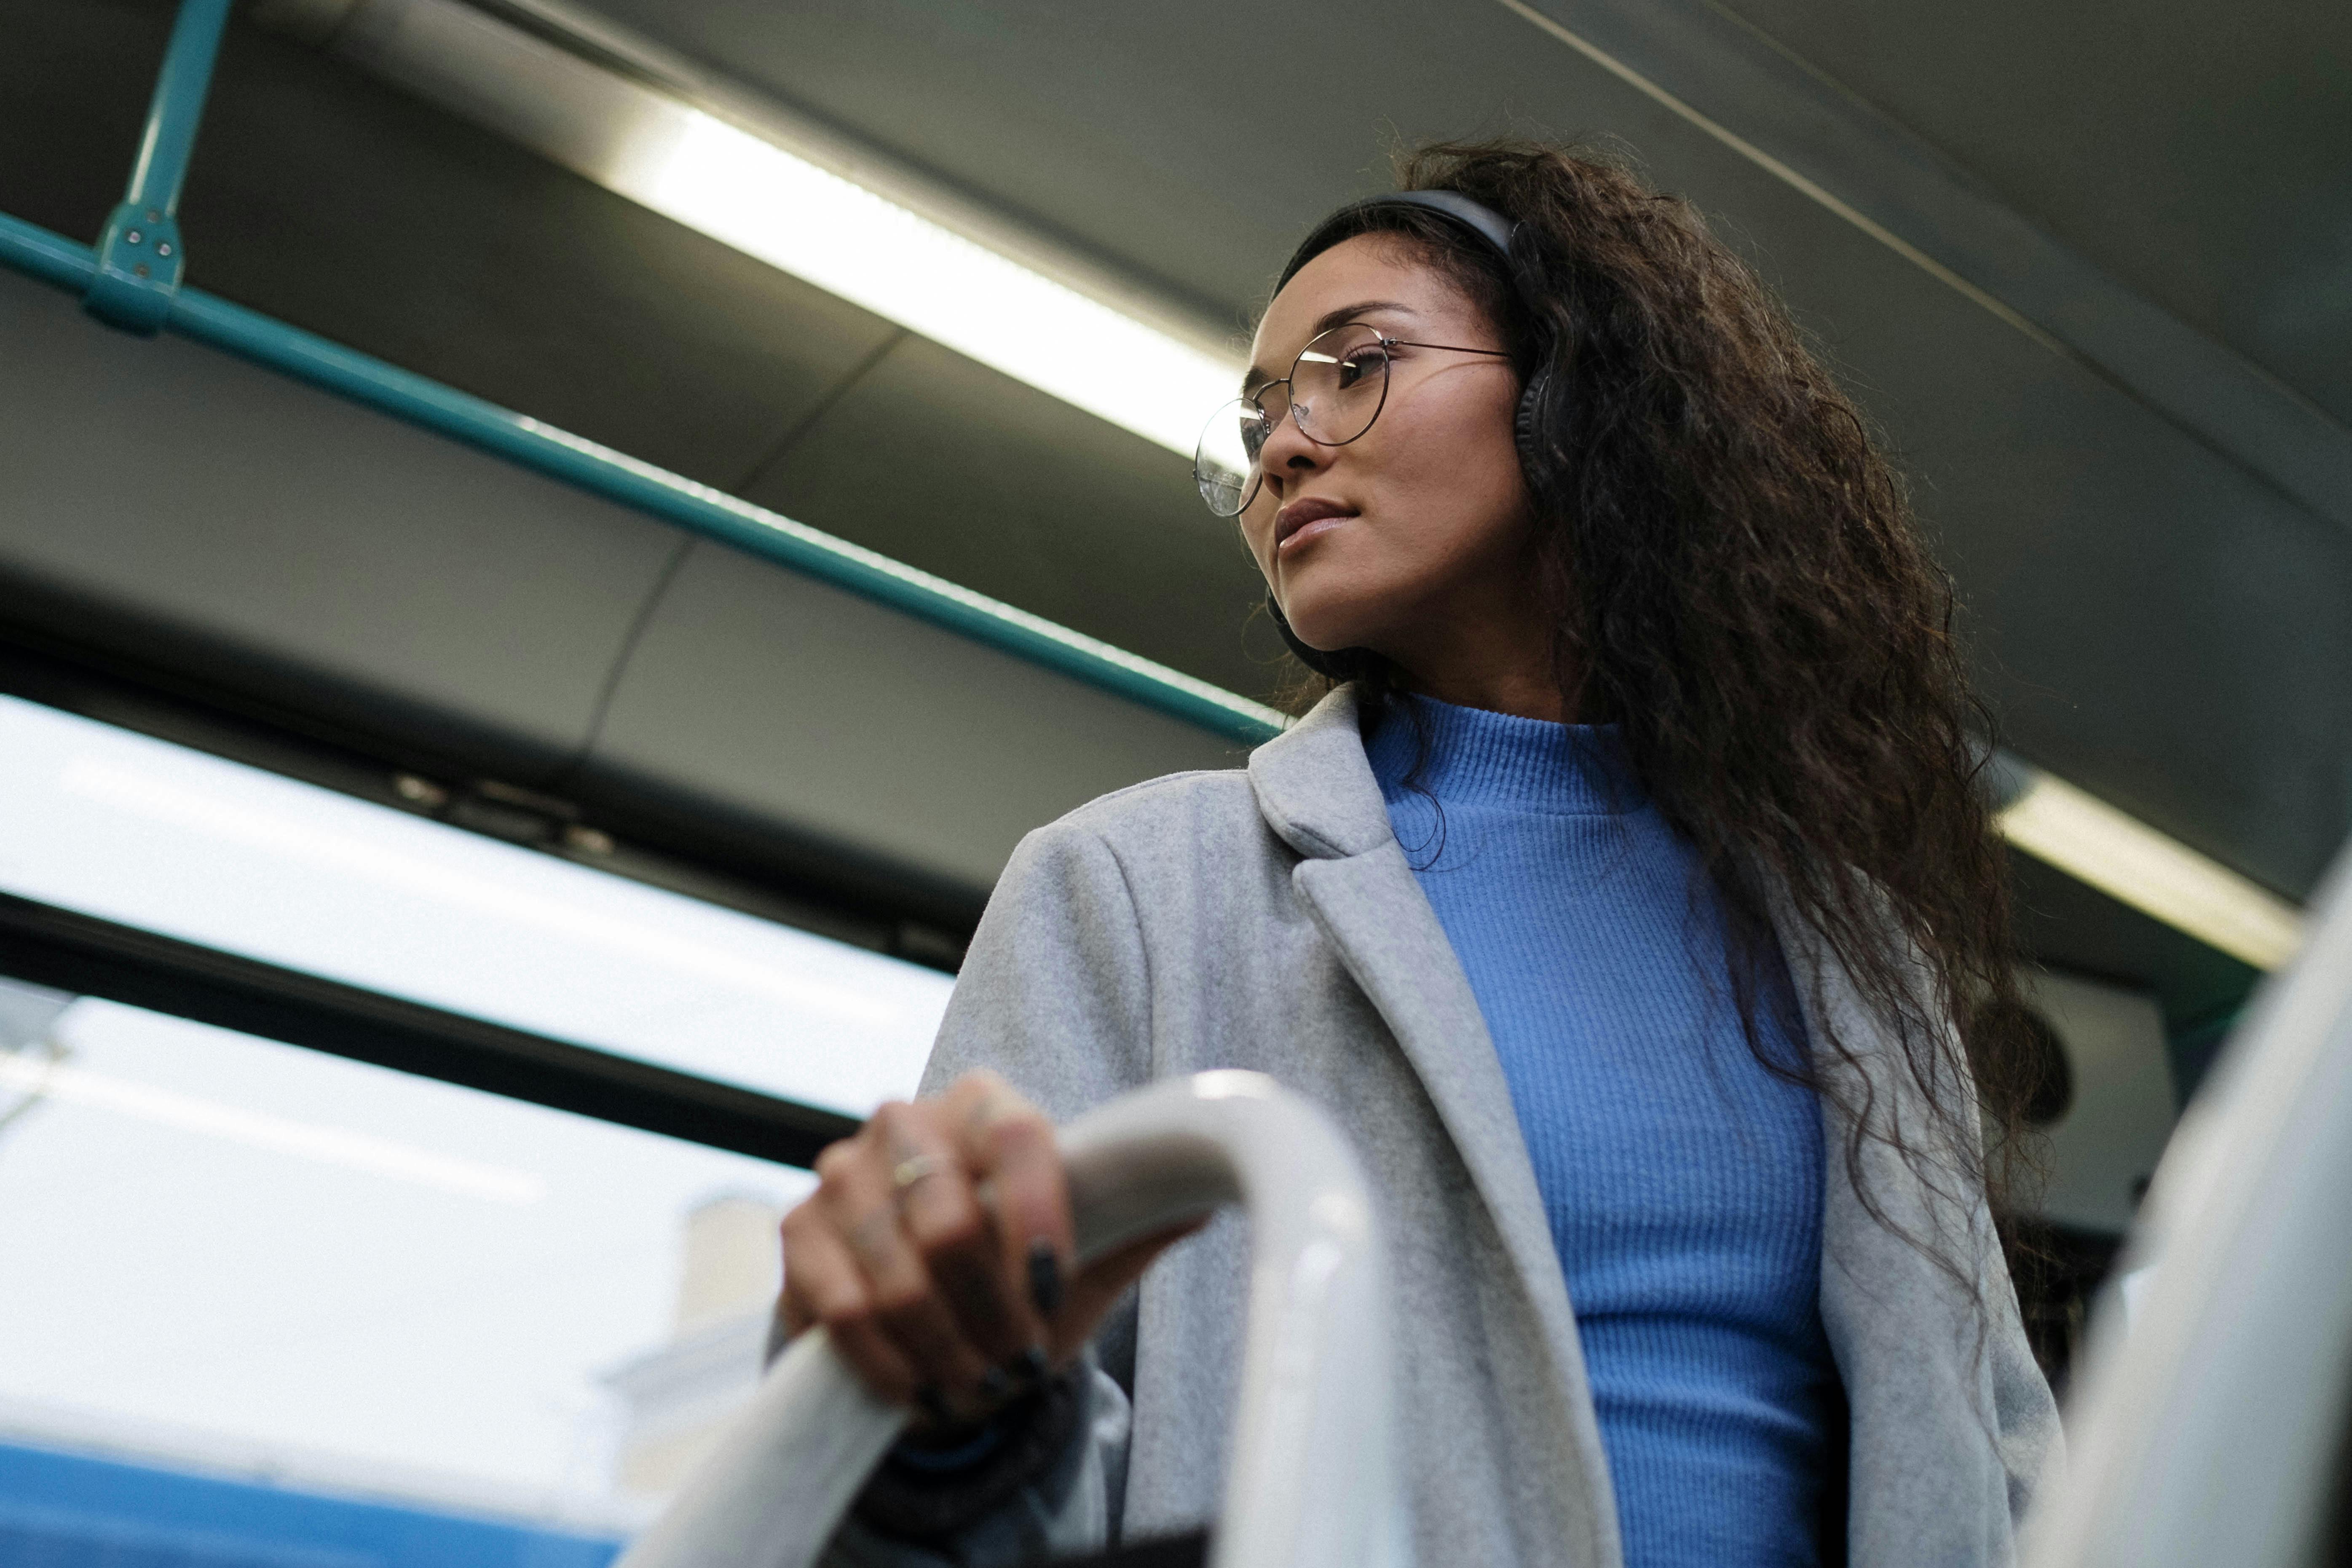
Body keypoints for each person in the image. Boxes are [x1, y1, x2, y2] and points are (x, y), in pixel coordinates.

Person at [774, 139, 2060, 1568]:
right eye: (1261, 412)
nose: (1282, 446)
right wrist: (943, 1410)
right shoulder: (1134, 890)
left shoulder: (1856, 951)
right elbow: (984, 1462)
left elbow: (2005, 1472)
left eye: (1355, 366)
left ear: (1575, 397)